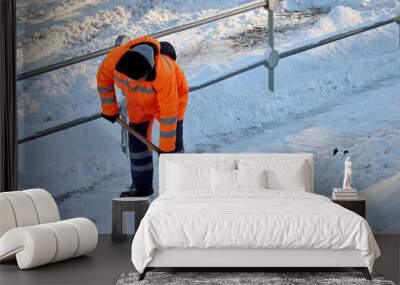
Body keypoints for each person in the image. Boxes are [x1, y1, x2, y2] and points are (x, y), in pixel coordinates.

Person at [96, 36, 189, 197]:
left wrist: (166, 149)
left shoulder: (163, 73)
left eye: (139, 78)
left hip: (173, 98)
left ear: (149, 70)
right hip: (138, 102)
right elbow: (103, 80)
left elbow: (169, 114)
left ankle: (179, 185)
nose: (134, 81)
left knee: (174, 143)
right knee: (137, 143)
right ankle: (141, 187)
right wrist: (109, 109)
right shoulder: (114, 59)